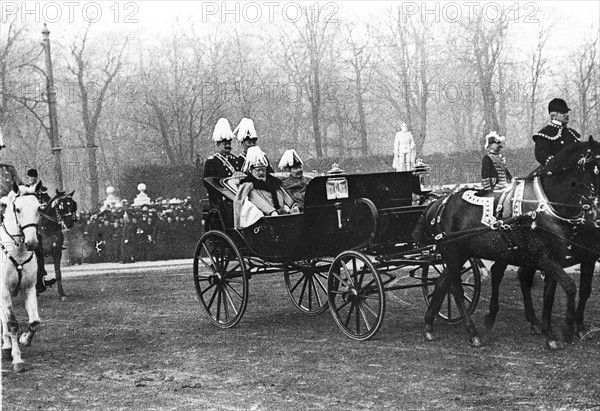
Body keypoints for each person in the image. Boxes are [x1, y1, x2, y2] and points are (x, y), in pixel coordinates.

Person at [234, 146, 299, 228]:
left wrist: (293, 206)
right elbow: (257, 200)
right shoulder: (249, 184)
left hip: (280, 214)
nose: (261, 172)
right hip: (264, 218)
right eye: (258, 170)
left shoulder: (272, 181)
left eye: (263, 170)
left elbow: (283, 194)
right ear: (251, 171)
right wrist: (271, 211)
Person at [25, 168, 54, 293]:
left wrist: (44, 206)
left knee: (39, 251)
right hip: (26, 224)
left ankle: (41, 277)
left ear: (36, 178)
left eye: (34, 177)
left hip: (38, 224)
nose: (32, 180)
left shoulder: (42, 191)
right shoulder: (24, 190)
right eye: (30, 178)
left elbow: (48, 205)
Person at [203, 118, 242, 208]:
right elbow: (208, 183)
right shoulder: (212, 161)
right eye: (225, 144)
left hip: (237, 195)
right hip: (221, 199)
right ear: (218, 144)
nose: (228, 146)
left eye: (229, 143)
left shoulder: (235, 160)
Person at [533, 98, 581, 167]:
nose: (566, 115)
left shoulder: (573, 134)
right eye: (562, 112)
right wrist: (555, 163)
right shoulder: (544, 134)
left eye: (567, 112)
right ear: (553, 116)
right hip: (553, 173)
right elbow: (540, 154)